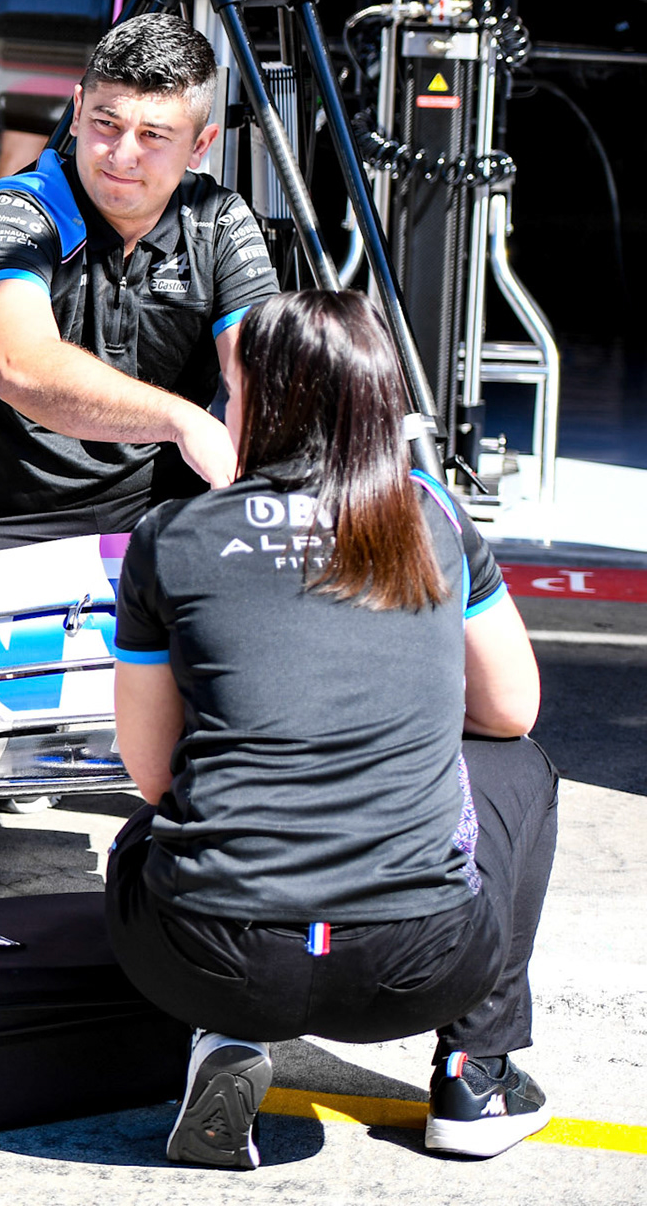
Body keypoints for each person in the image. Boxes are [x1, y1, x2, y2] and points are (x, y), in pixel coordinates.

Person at [106, 290, 557, 1168]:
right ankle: (477, 1072)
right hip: (420, 963)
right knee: (518, 769)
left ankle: (222, 1036)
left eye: (231, 391)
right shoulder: (433, 518)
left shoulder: (171, 536)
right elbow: (511, 710)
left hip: (204, 954)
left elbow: (154, 771)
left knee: (153, 835)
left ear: (264, 403)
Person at [0, 13, 281, 556]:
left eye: (154, 135)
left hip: (167, 531)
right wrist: (183, 420)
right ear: (79, 110)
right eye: (107, 124)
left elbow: (262, 371)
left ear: (200, 145)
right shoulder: (14, 212)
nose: (122, 154)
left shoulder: (218, 220)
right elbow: (22, 367)